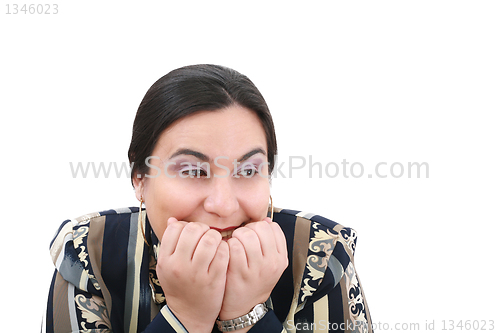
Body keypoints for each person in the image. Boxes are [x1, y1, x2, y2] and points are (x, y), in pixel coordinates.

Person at [43, 64, 373, 333]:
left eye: (247, 171)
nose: (224, 205)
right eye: (192, 171)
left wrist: (246, 316)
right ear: (139, 178)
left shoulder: (320, 255)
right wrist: (186, 316)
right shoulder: (87, 254)